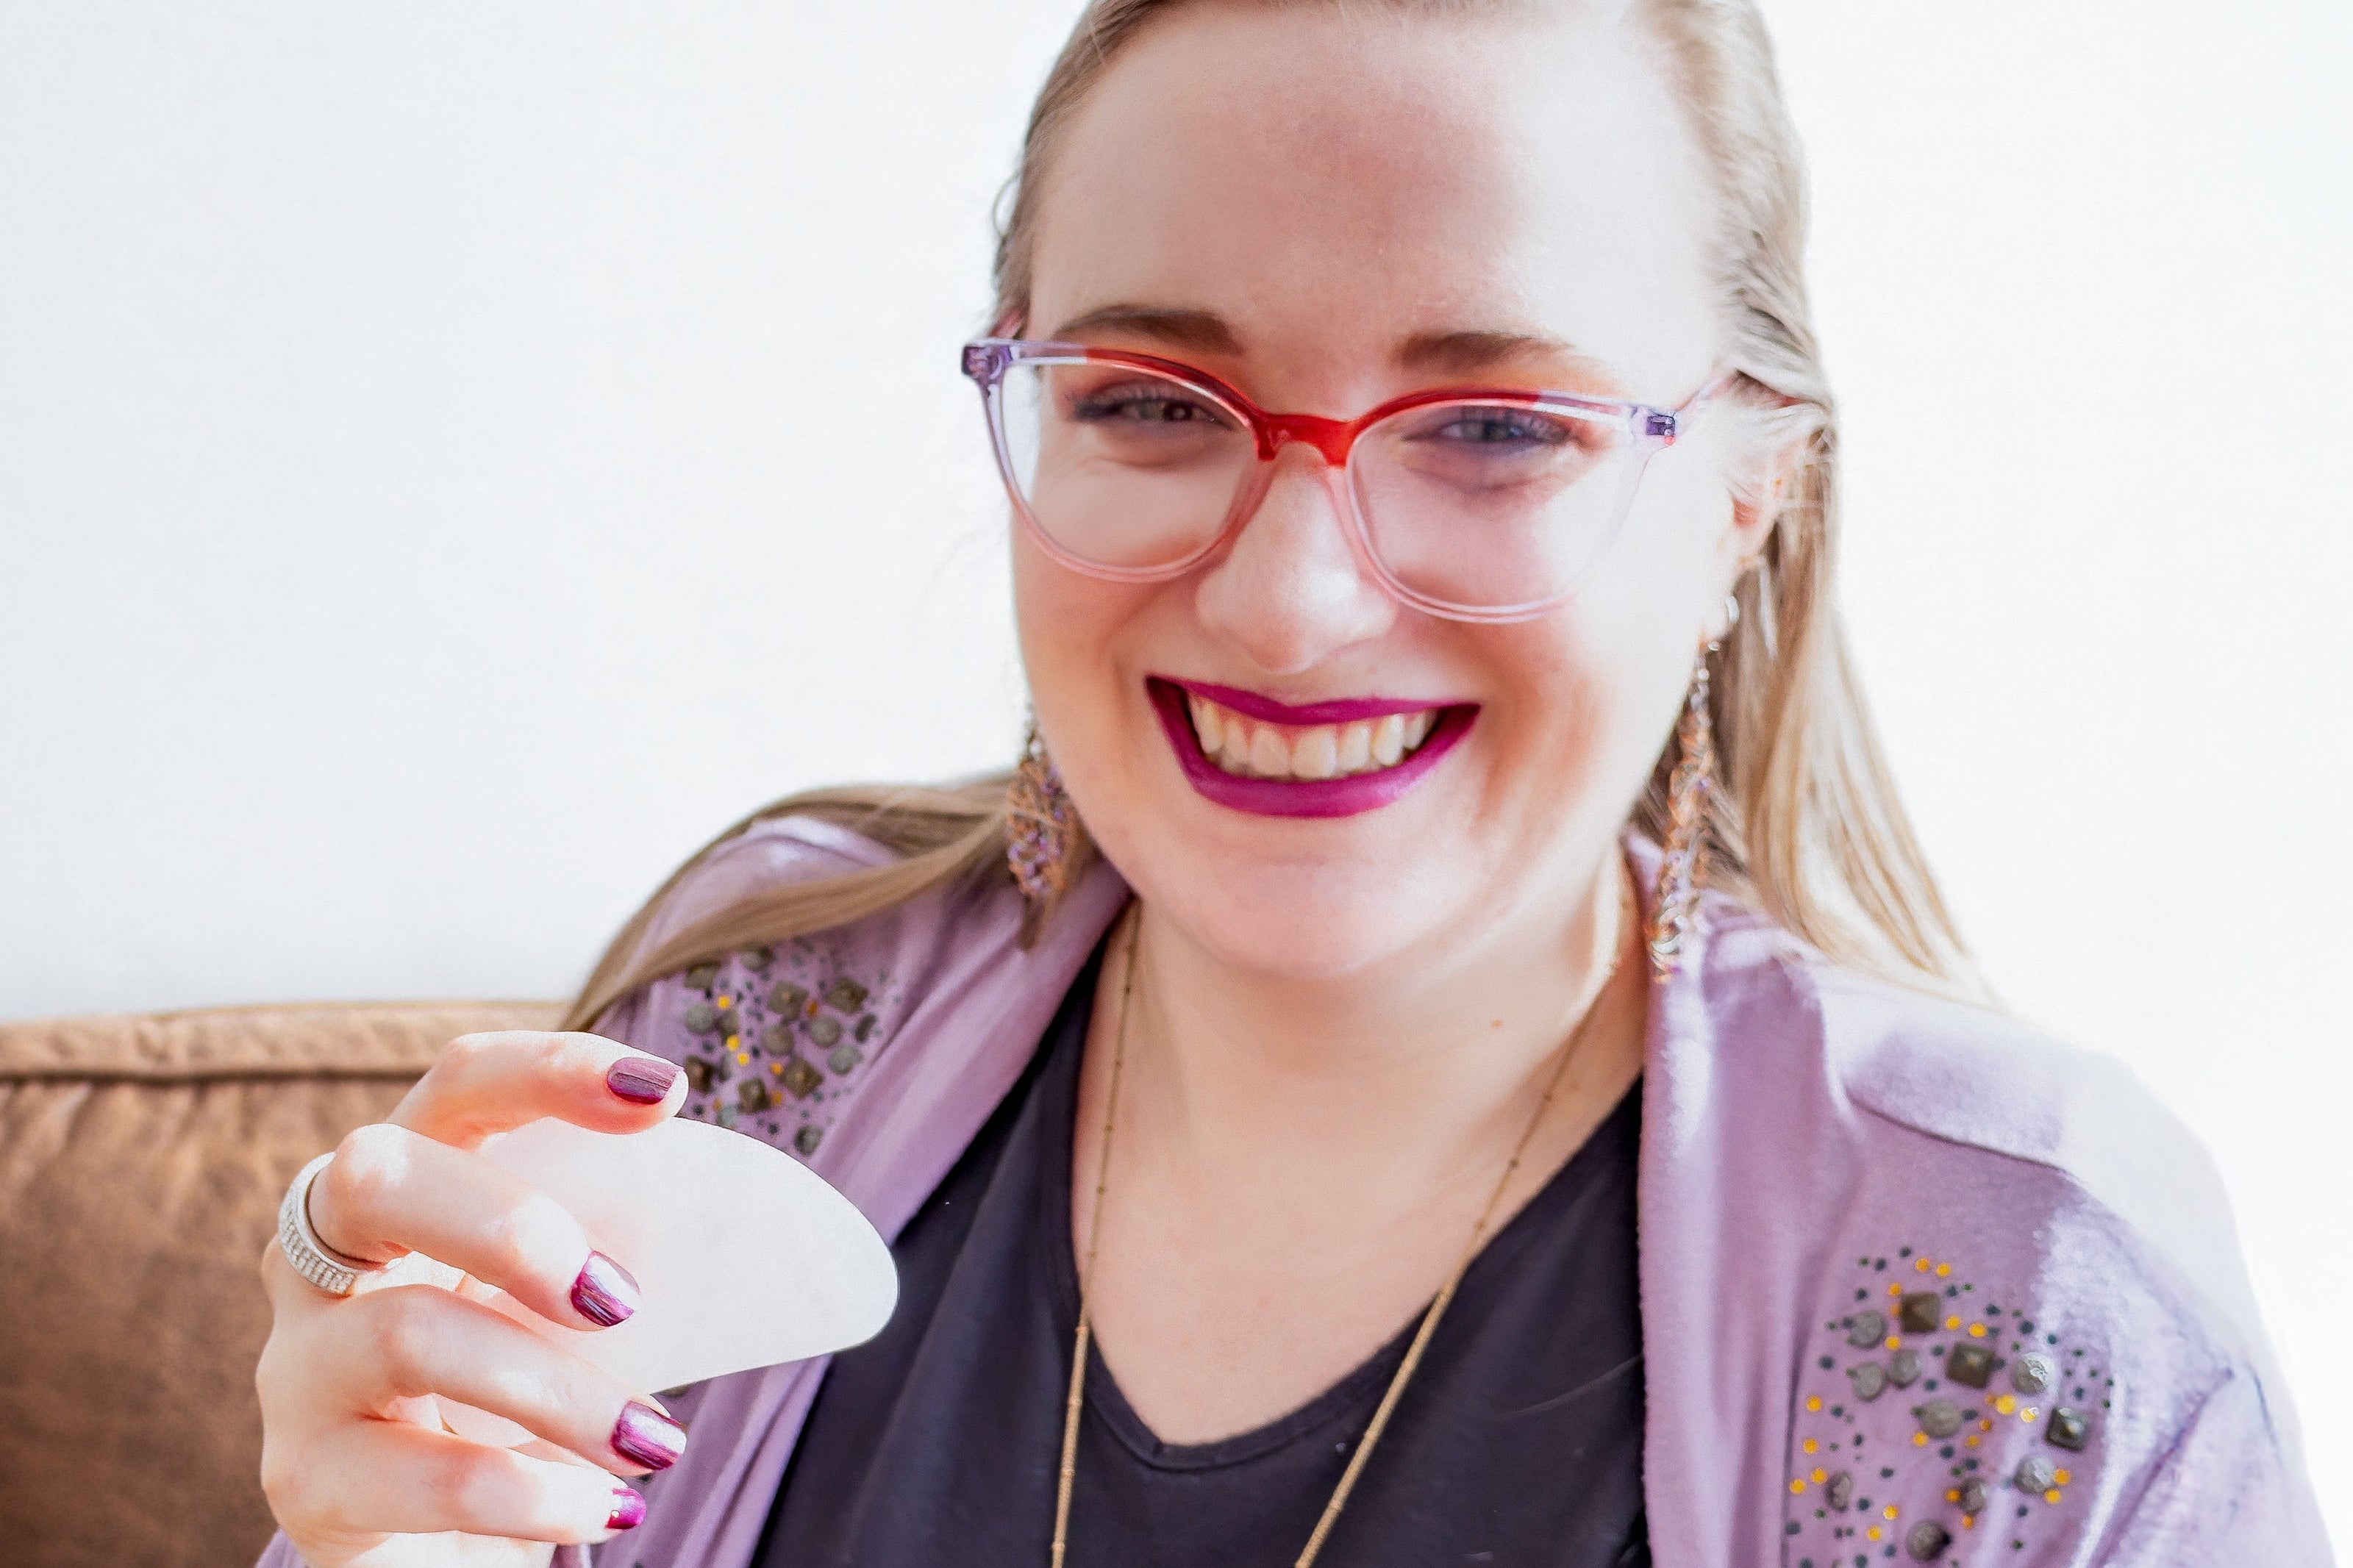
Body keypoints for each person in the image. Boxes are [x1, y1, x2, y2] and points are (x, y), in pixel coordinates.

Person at [249, 1, 2331, 1564]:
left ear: (1749, 499)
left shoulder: (2026, 1305)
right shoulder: (737, 1050)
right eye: (1156, 399)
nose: (1290, 600)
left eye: (1494, 424)